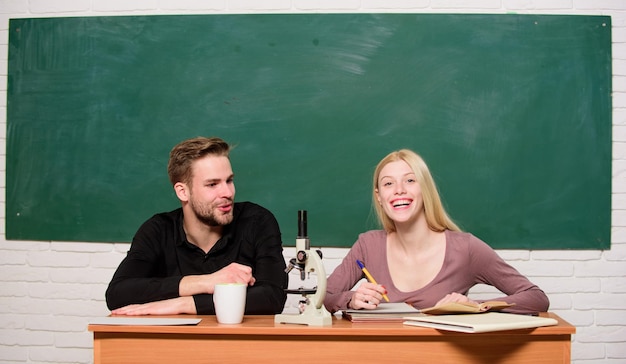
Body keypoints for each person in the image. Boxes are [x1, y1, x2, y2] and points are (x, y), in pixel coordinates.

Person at [324, 149, 549, 315]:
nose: (399, 190)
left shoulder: (466, 249)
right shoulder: (367, 246)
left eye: (410, 180)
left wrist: (477, 307)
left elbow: (536, 298)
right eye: (388, 184)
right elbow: (323, 297)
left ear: (425, 190)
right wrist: (352, 299)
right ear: (379, 198)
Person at [106, 136, 288, 315]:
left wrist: (183, 304)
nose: (227, 192)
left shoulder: (257, 221)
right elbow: (118, 294)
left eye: (229, 180)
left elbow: (272, 297)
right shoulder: (158, 230)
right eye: (212, 184)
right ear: (183, 192)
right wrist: (206, 282)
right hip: (176, 344)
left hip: (242, 344)